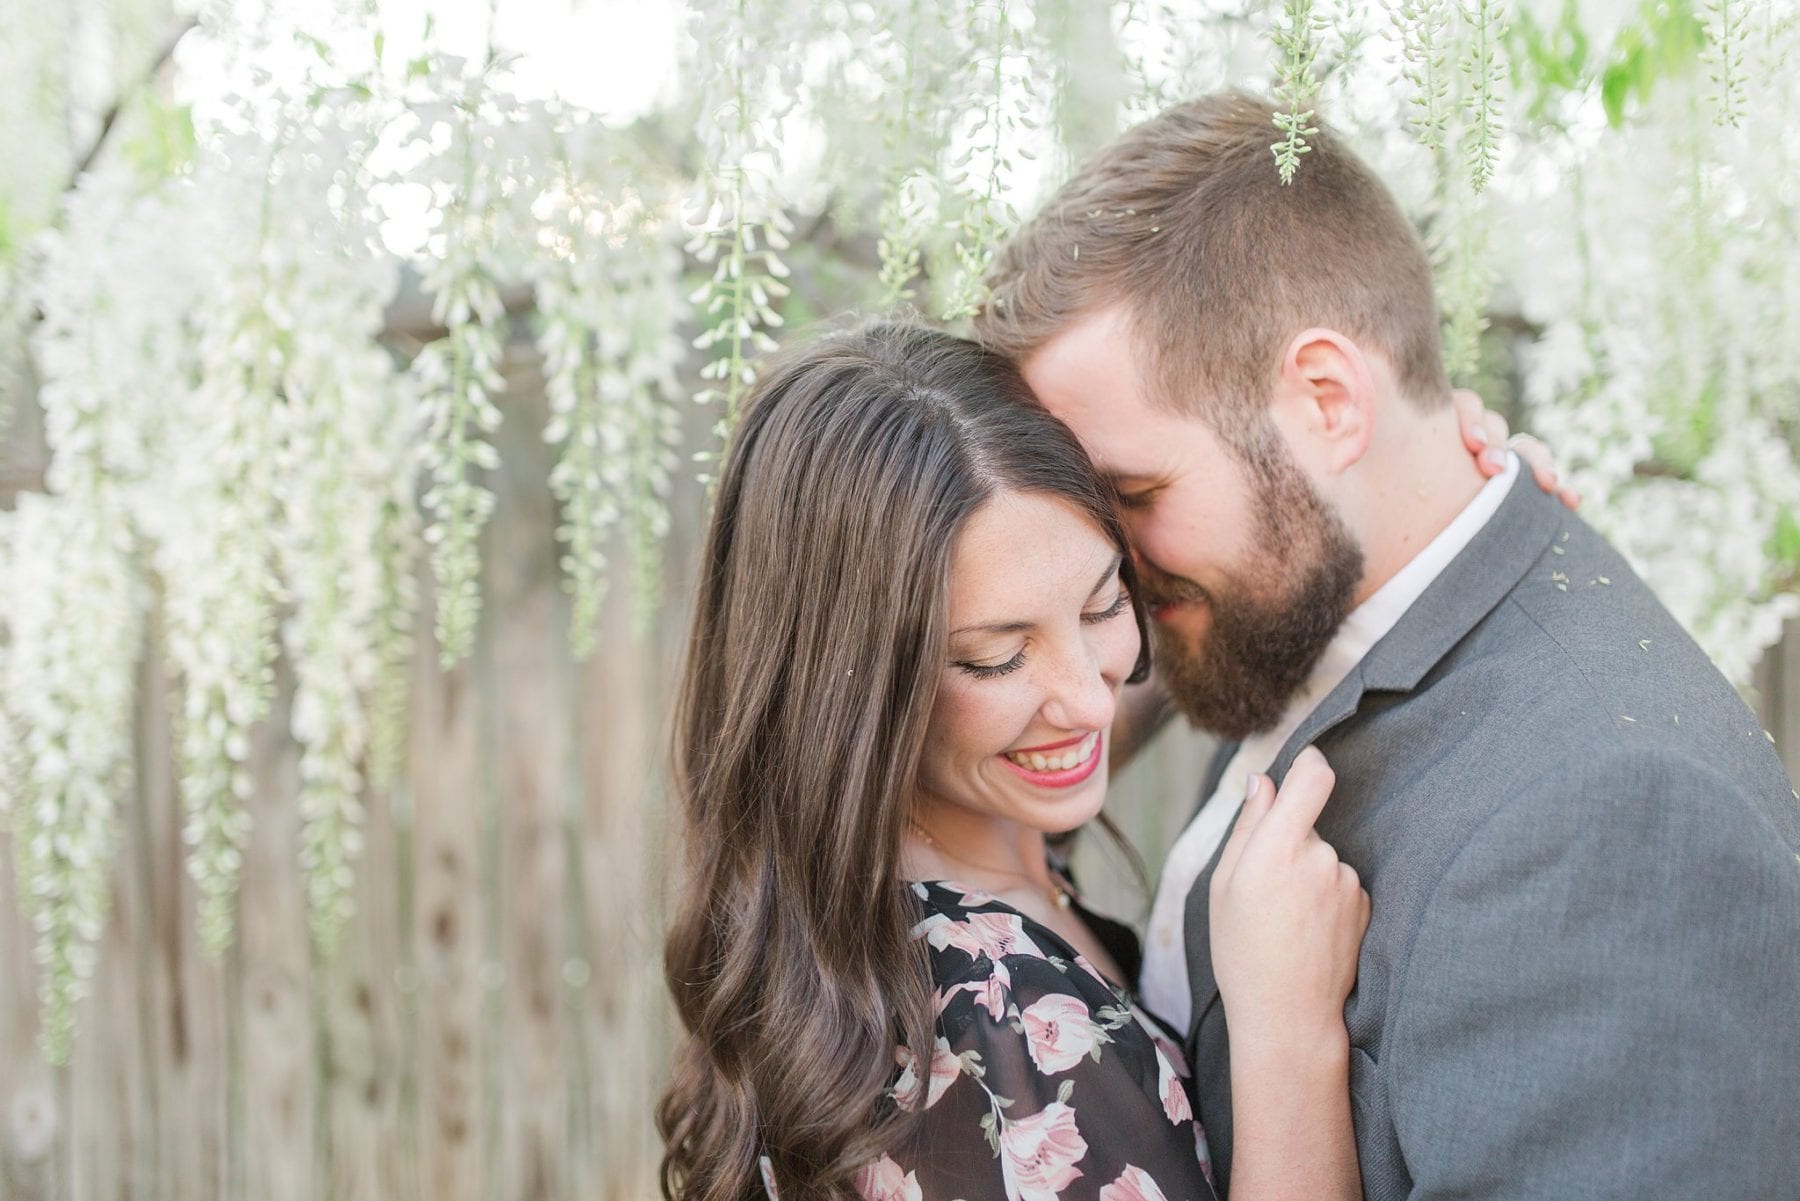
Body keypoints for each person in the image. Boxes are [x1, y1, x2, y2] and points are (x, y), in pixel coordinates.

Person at [974, 90, 1800, 1198]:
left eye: (1135, 490)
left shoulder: (1609, 822)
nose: (1109, 561)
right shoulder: (1302, 604)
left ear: (1325, 400)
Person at [655, 322, 1538, 1201]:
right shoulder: (979, 1037)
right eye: (997, 657)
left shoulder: (960, 841)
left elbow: (1203, 637)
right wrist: (1286, 1034)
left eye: (1104, 602)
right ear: (851, 693)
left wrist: (1444, 506)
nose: (1090, 699)